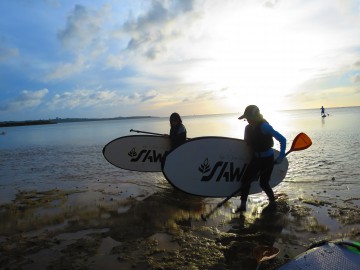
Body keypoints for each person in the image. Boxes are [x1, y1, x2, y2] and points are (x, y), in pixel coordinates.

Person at [237, 105, 286, 212]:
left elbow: (283, 139)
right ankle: (243, 206)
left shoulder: (264, 126)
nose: (247, 120)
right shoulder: (249, 128)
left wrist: (281, 156)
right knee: (245, 180)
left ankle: (273, 202)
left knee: (263, 183)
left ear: (255, 116)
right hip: (256, 158)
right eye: (246, 118)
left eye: (249, 117)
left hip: (267, 159)